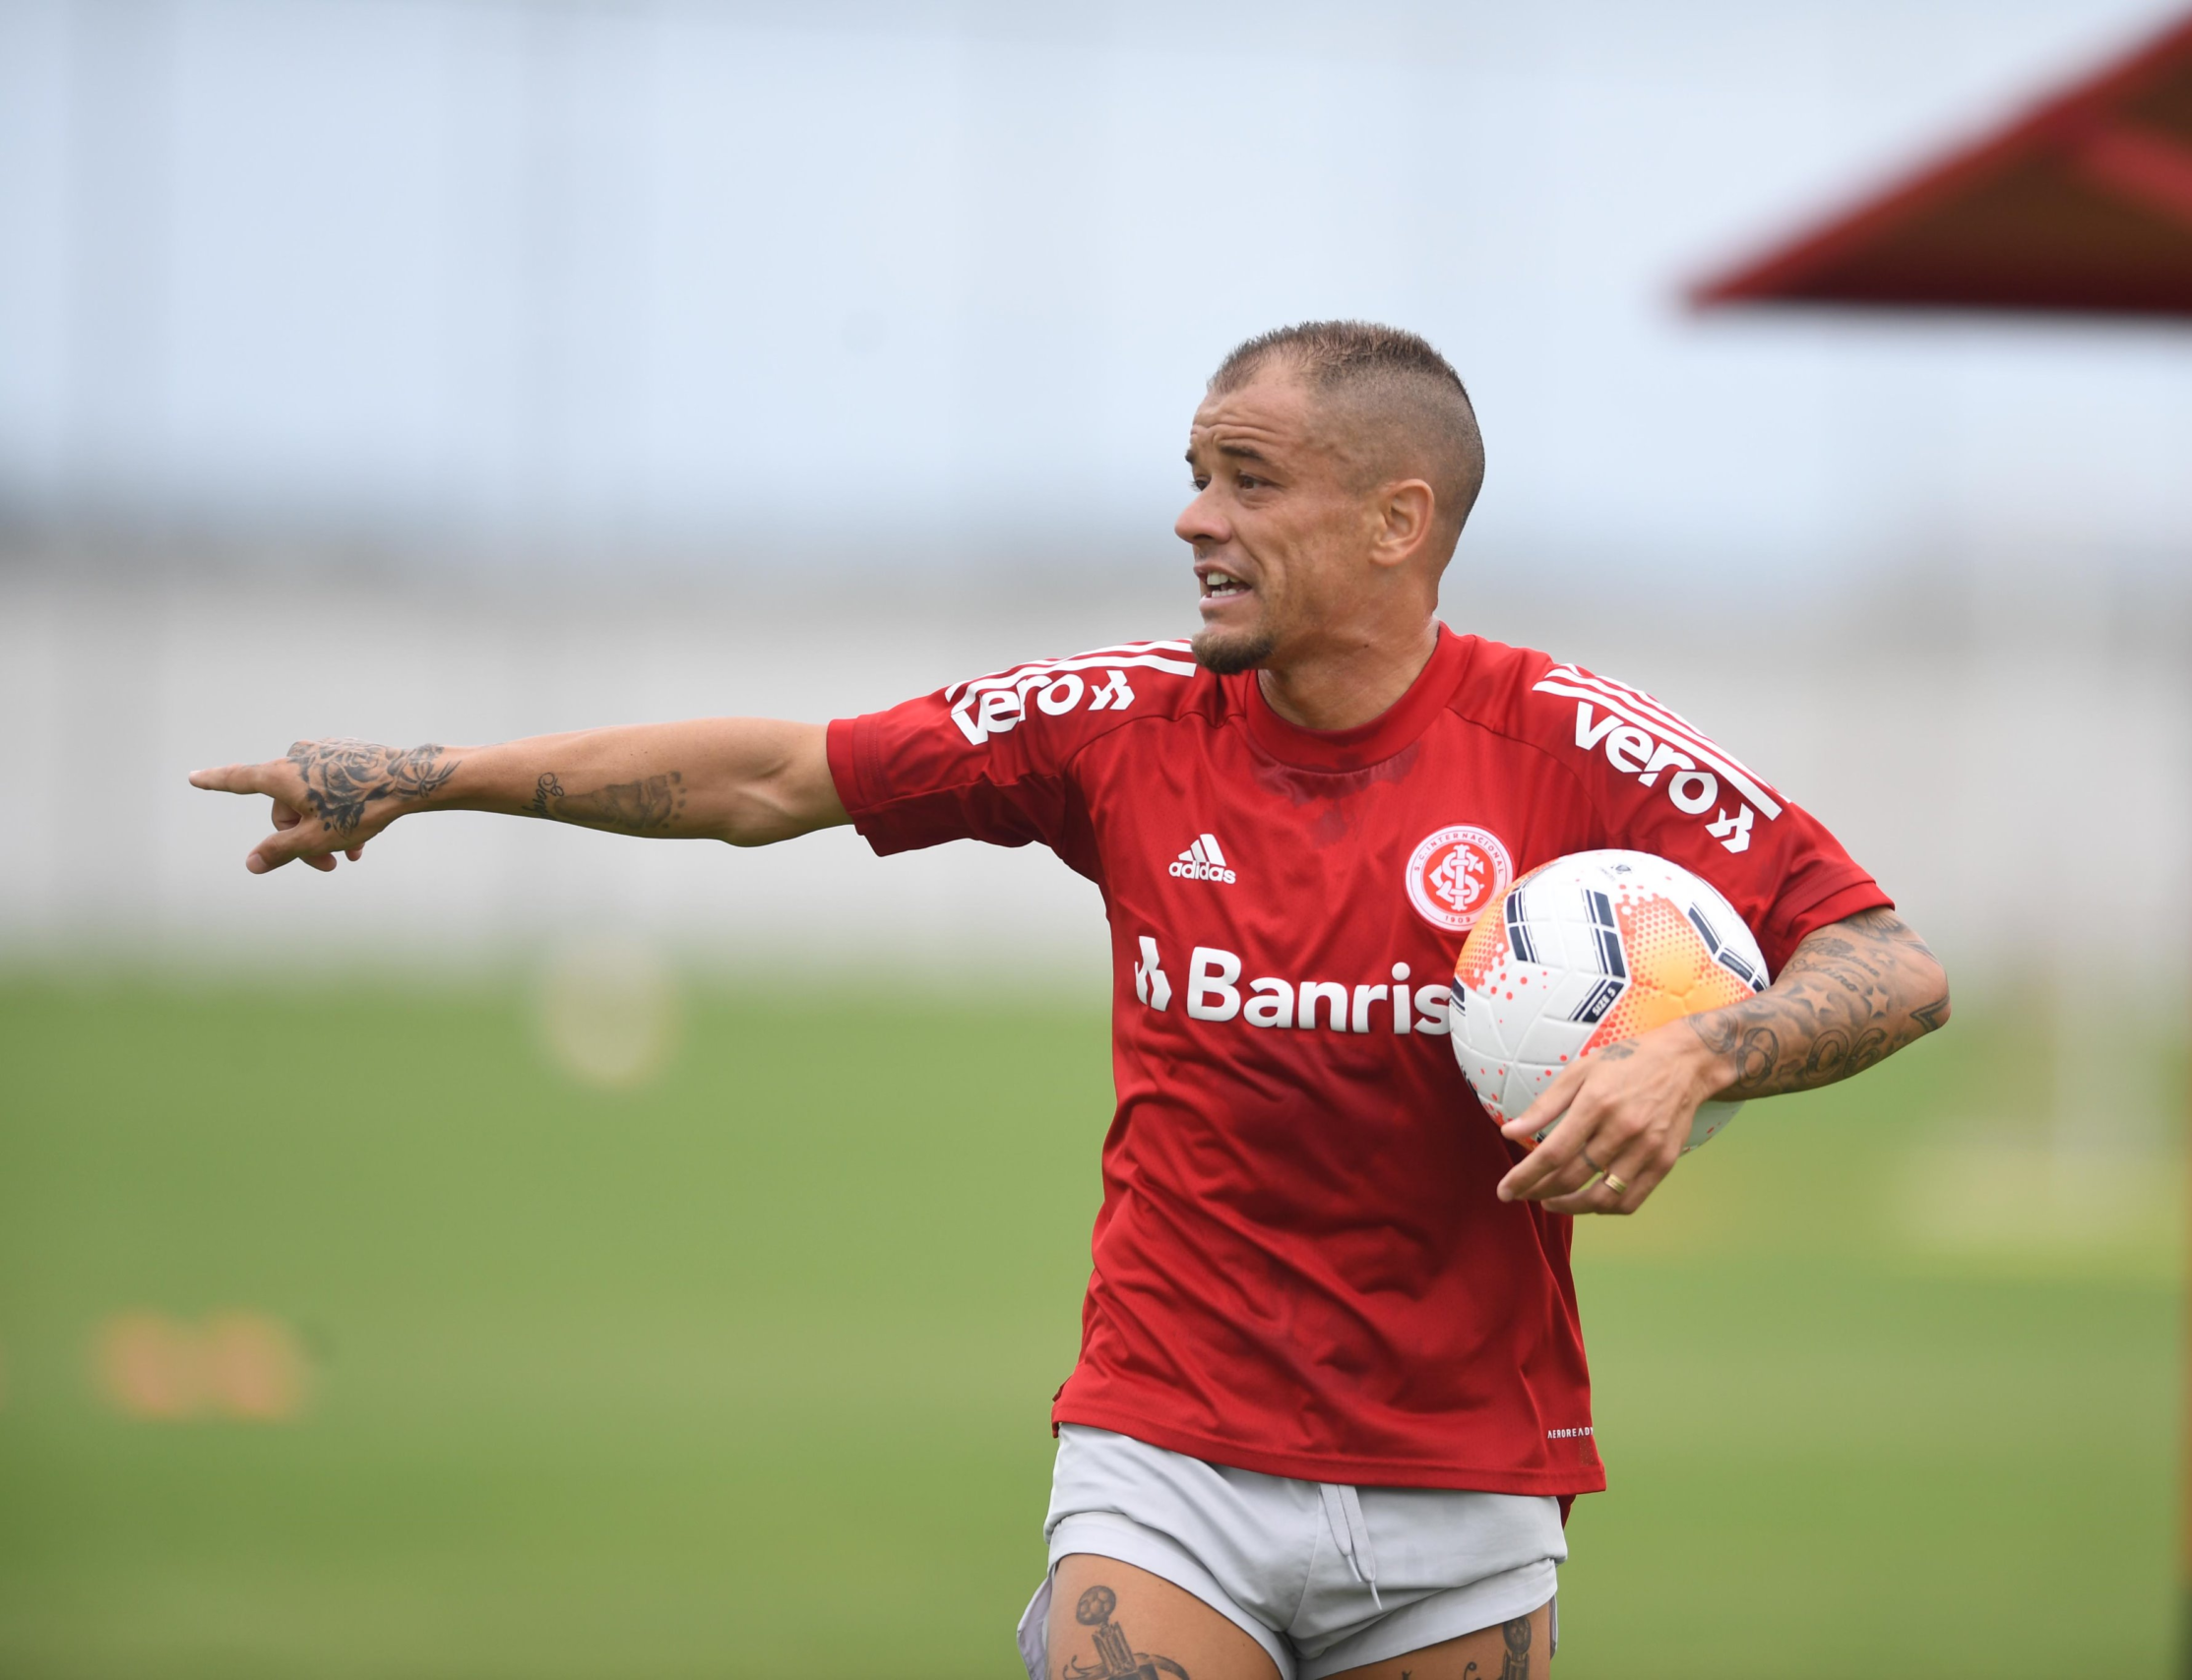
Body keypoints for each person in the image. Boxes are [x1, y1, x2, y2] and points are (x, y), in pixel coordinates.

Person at [193, 321, 1949, 1680]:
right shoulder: (1118, 722)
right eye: (1194, 474)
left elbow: (1890, 959)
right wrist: (431, 774)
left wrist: (1698, 1052)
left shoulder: (1570, 745)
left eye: (1249, 480)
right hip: (1167, 1453)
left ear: (1397, 521)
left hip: (1465, 1472)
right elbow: (777, 776)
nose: (1195, 517)